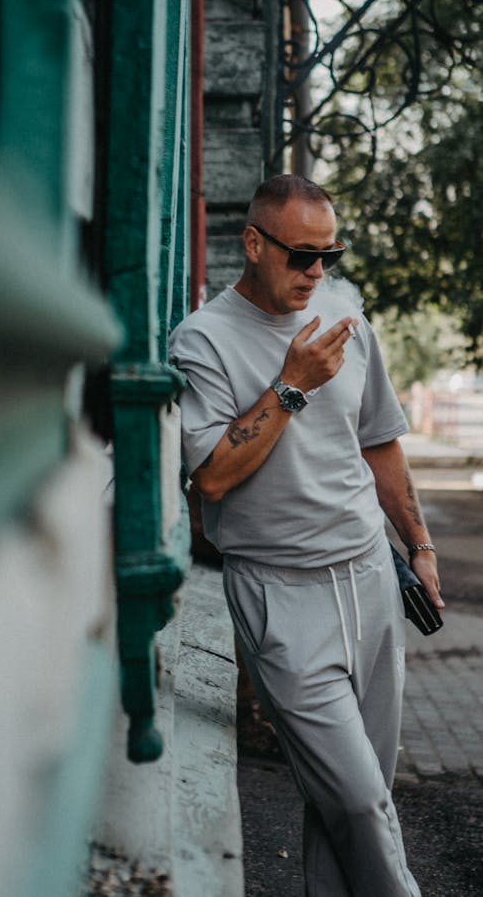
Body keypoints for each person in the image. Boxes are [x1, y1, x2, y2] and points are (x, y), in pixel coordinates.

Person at [169, 174, 444, 897]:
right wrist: (292, 385)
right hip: (279, 593)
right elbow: (214, 477)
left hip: (371, 582)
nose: (316, 273)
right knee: (359, 801)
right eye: (300, 255)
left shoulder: (346, 319)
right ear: (254, 243)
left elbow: (381, 442)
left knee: (352, 804)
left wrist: (419, 546)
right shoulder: (203, 339)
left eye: (329, 255)